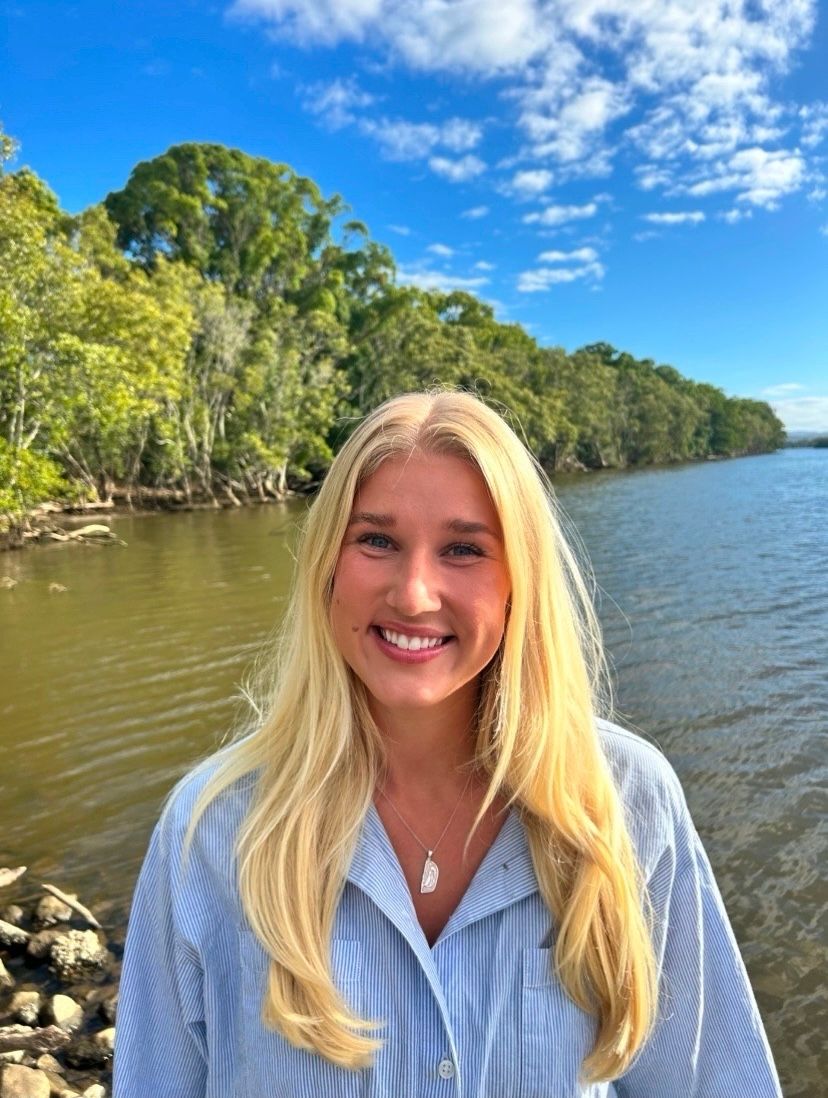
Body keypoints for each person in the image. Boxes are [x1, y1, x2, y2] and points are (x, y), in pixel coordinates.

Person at [113, 390, 781, 1098]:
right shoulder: (211, 828)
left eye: (464, 549)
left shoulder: (625, 799)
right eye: (377, 541)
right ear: (327, 565)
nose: (414, 594)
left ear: (520, 583)